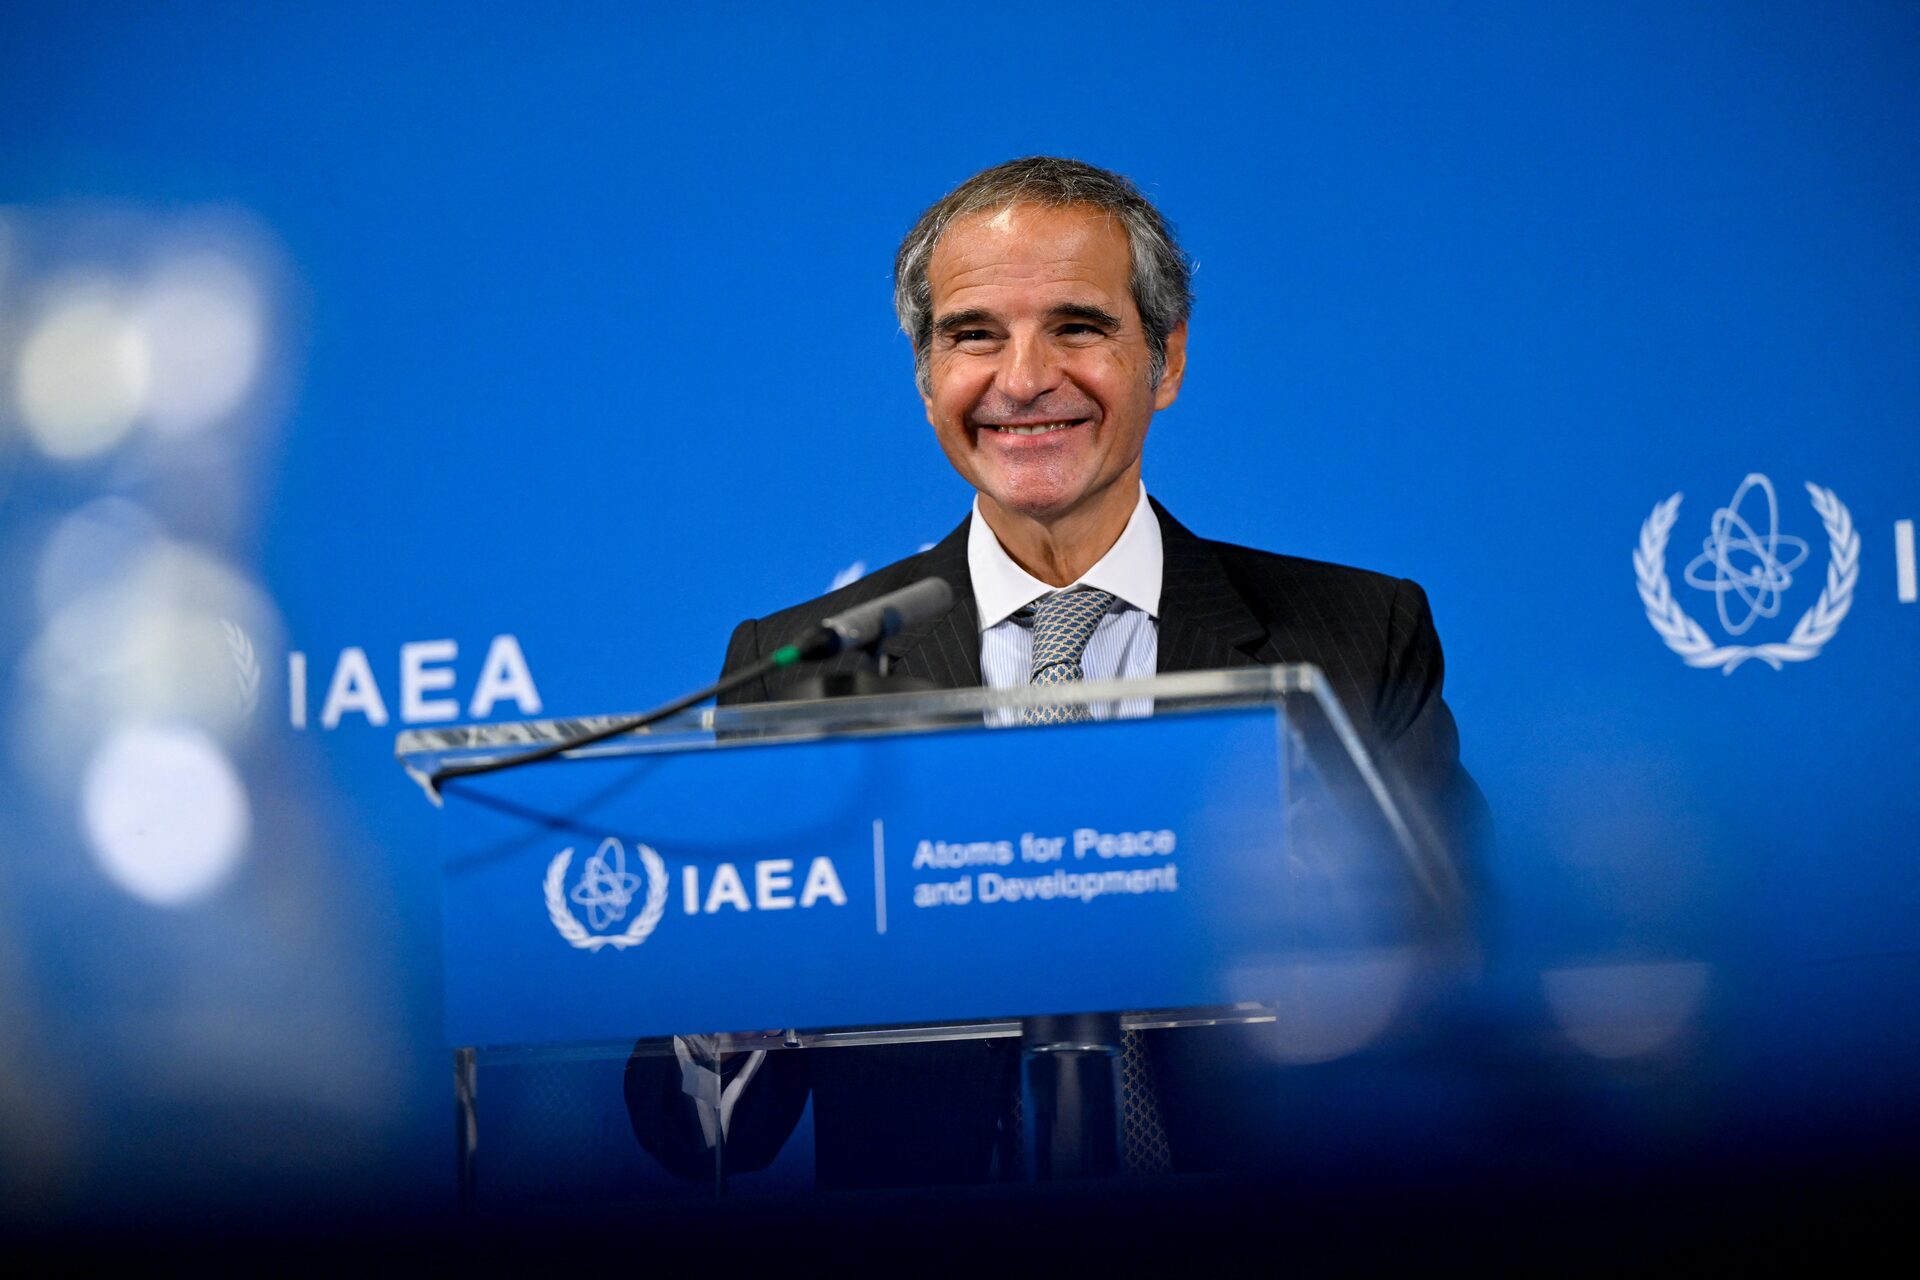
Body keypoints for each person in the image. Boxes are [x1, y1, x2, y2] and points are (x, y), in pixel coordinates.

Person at [627, 156, 1487, 1189]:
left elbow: (1462, 995)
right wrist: (735, 1004)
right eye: (973, 334)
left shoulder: (1353, 635)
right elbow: (698, 1131)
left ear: (1166, 361)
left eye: (1077, 326)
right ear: (925, 373)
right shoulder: (802, 669)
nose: (1025, 378)